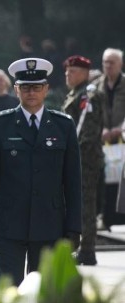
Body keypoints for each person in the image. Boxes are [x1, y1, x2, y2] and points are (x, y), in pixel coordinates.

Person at [0, 58, 81, 286]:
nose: (31, 92)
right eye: (25, 87)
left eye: (36, 87)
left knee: (45, 295)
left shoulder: (63, 125)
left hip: (50, 224)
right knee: (8, 294)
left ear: (46, 89)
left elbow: (73, 182)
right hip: (9, 224)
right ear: (16, 89)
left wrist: (74, 227)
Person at [63, 55, 104, 266]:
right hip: (76, 157)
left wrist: (72, 155)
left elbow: (87, 131)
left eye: (74, 71)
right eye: (67, 71)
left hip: (85, 159)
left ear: (86, 73)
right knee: (75, 203)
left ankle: (87, 250)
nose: (68, 74)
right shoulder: (76, 94)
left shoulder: (89, 95)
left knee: (86, 204)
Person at [94, 48, 125, 228]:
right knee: (104, 179)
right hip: (103, 141)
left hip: (122, 138)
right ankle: (104, 217)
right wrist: (102, 128)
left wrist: (120, 129)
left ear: (120, 64)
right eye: (105, 62)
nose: (108, 66)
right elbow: (91, 112)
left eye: (112, 62)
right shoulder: (98, 85)